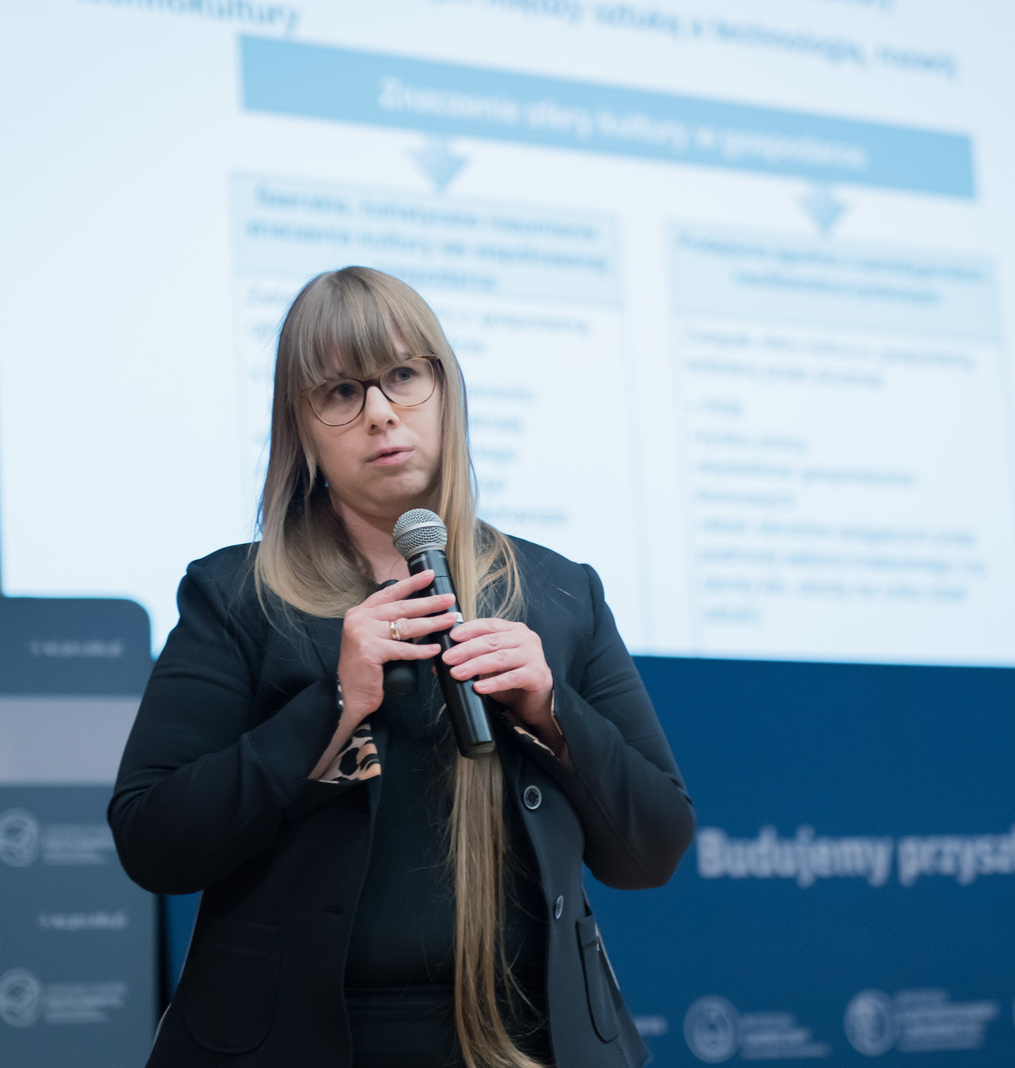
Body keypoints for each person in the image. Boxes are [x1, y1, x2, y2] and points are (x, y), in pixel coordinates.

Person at [108, 266, 696, 1068]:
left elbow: (654, 849)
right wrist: (332, 704)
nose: (381, 412)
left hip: (526, 1042)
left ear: (446, 392)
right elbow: (152, 840)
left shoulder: (561, 593)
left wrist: (555, 714)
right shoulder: (237, 596)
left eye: (403, 377)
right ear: (301, 429)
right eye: (341, 393)